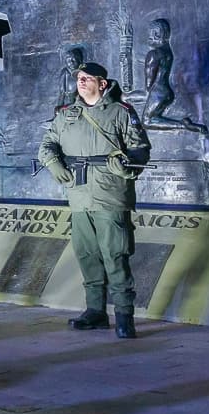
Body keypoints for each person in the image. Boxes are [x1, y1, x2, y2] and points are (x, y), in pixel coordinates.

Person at [38, 61, 152, 338]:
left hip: (109, 192)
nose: (81, 81)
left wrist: (126, 165)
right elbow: (47, 144)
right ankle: (95, 311)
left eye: (88, 78)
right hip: (77, 193)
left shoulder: (121, 112)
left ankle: (124, 315)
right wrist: (54, 164)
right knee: (87, 254)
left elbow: (140, 149)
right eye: (79, 77)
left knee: (115, 254)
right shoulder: (66, 114)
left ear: (103, 83)